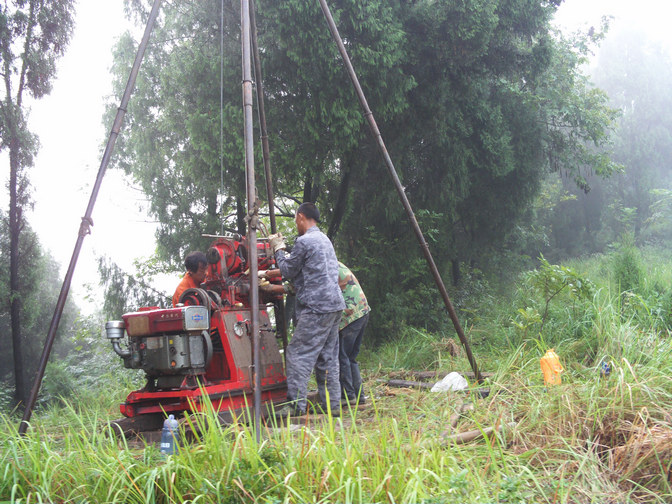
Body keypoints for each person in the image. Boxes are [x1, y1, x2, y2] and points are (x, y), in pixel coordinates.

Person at [268, 202, 345, 416]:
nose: (296, 225)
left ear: (301, 217)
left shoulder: (305, 241)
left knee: (297, 353)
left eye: (296, 220)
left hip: (317, 306)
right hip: (334, 305)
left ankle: (296, 406)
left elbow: (287, 270)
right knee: (327, 357)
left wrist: (278, 248)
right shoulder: (325, 240)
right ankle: (333, 407)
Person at [337, 262, 370, 405]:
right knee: (351, 357)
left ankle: (348, 396)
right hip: (362, 311)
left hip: (350, 315)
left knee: (342, 356)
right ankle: (359, 395)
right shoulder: (334, 262)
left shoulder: (323, 265)